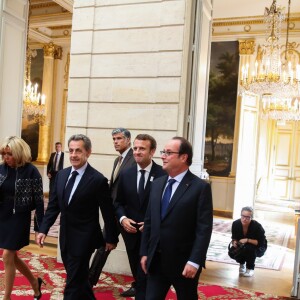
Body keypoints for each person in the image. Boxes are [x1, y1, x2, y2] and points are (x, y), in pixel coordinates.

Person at [36, 134, 118, 300]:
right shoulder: (61, 175)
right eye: (71, 150)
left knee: (72, 282)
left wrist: (111, 237)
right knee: (79, 279)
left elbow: (108, 212)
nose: (73, 154)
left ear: (88, 152)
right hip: (65, 236)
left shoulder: (97, 180)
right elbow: (53, 206)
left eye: (78, 151)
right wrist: (43, 229)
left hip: (85, 238)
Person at [140, 137, 213, 300]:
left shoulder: (200, 188)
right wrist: (145, 252)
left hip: (184, 263)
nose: (163, 156)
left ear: (183, 157)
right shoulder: (157, 184)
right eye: (163, 152)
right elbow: (149, 222)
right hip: (156, 261)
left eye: (168, 152)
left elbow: (204, 229)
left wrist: (195, 261)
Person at [115, 134, 166, 299]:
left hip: (153, 238)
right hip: (131, 235)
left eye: (142, 148)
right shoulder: (126, 173)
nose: (137, 152)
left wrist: (152, 223)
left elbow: (168, 206)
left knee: (150, 280)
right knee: (138, 277)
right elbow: (118, 203)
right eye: (135, 148)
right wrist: (123, 219)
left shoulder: (163, 175)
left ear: (152, 151)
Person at [0, 136, 45, 300]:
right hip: (3, 215)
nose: (6, 157)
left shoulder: (31, 171)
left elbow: (39, 202)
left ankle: (6, 297)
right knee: (12, 257)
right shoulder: (1, 169)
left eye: (9, 154)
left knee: (6, 255)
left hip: (19, 217)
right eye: (4, 154)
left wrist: (40, 228)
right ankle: (34, 282)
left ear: (19, 153)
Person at [229, 206, 267, 277]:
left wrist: (247, 240)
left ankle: (250, 268)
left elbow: (260, 243)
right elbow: (234, 237)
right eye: (243, 216)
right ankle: (242, 263)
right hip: (242, 245)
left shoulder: (257, 226)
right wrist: (234, 242)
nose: (244, 219)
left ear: (251, 217)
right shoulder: (235, 224)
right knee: (232, 252)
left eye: (247, 217)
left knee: (249, 248)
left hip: (257, 246)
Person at [110, 127, 136, 203]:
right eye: (114, 139)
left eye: (119, 138)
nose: (115, 142)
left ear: (128, 140)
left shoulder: (135, 159)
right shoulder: (117, 160)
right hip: (114, 207)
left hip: (125, 208)